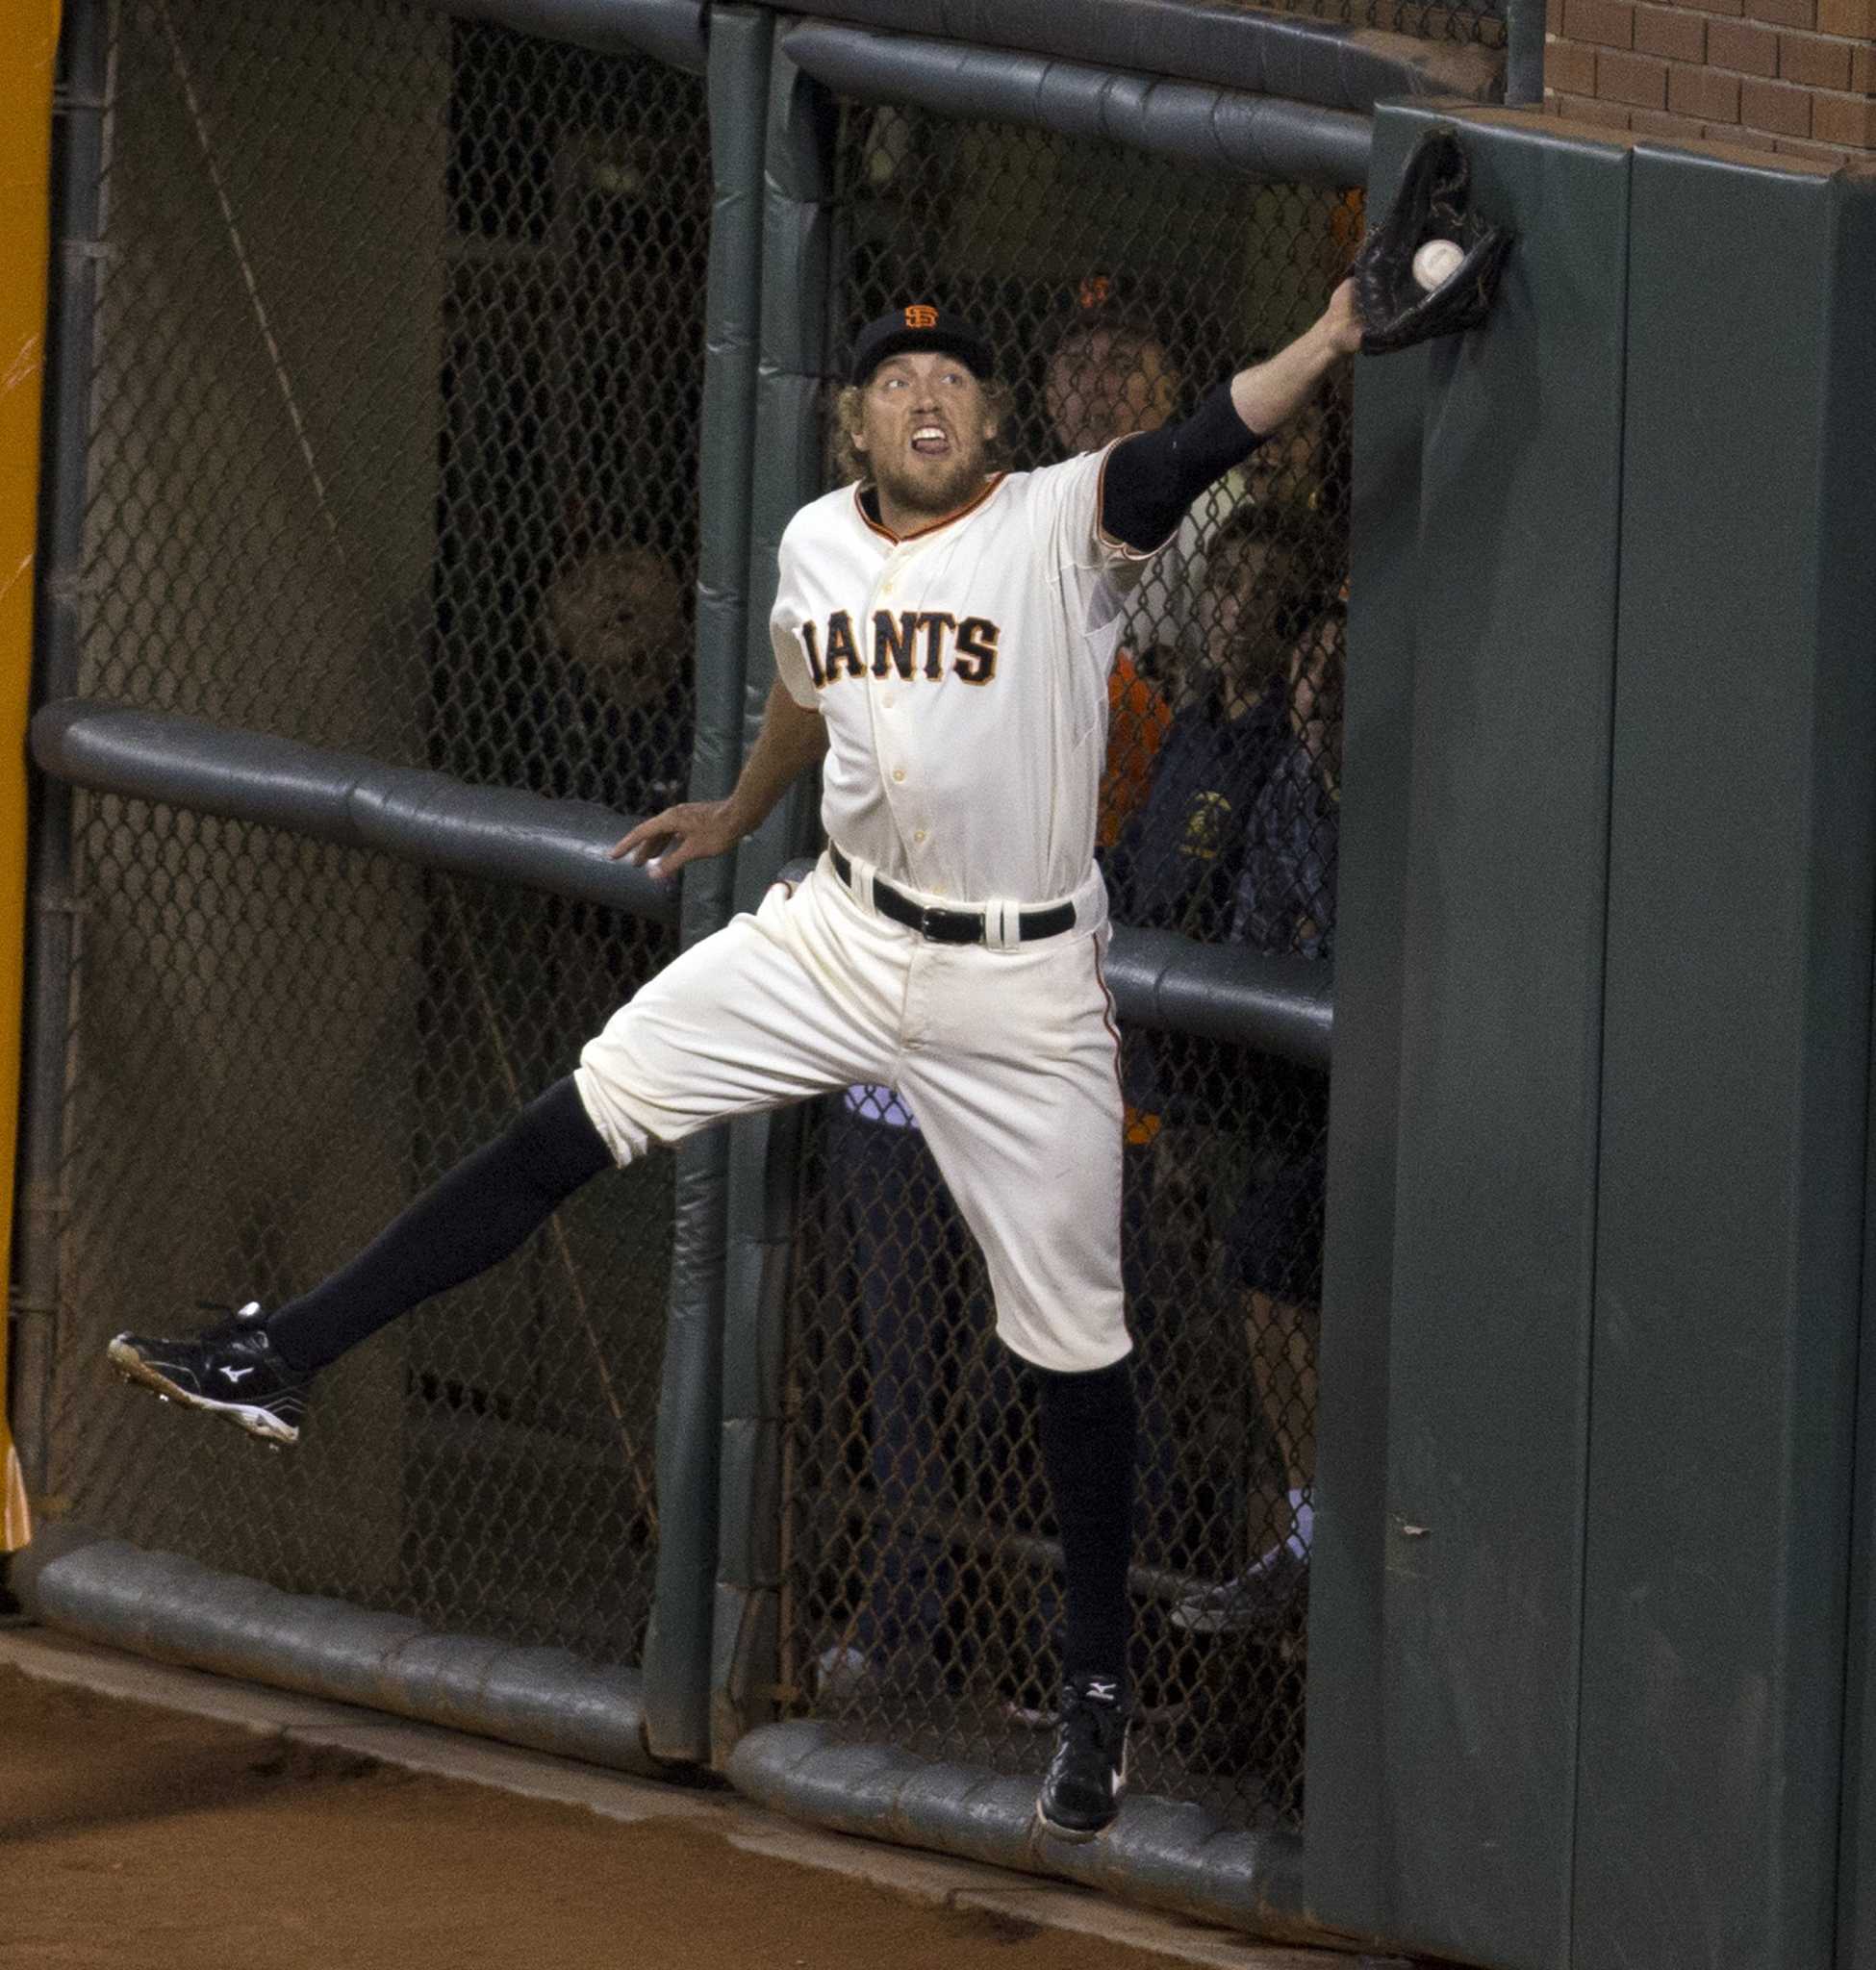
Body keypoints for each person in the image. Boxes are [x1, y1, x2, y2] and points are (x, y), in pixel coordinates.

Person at [106, 287, 1363, 1844]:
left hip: (1017, 975)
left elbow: (1198, 435)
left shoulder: (1058, 522)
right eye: (899, 377)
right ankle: (284, 1351)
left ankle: (1095, 1688)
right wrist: (736, 803)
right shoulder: (818, 542)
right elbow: (801, 681)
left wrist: (1321, 340)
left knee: (1074, 1344)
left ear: (991, 421)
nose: (927, 399)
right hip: (839, 934)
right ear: (855, 419)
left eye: (954, 383)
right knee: (571, 1119)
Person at [1170, 603, 1345, 1638]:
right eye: (1314, 668)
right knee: (1252, 1236)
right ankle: (1305, 1533)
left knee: (1274, 1235)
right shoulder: (1289, 780)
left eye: (1342, 675)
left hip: (1399, 1109)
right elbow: (1255, 938)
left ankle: (1323, 1529)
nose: (1322, 694)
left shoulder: (1401, 791)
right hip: (1288, 1096)